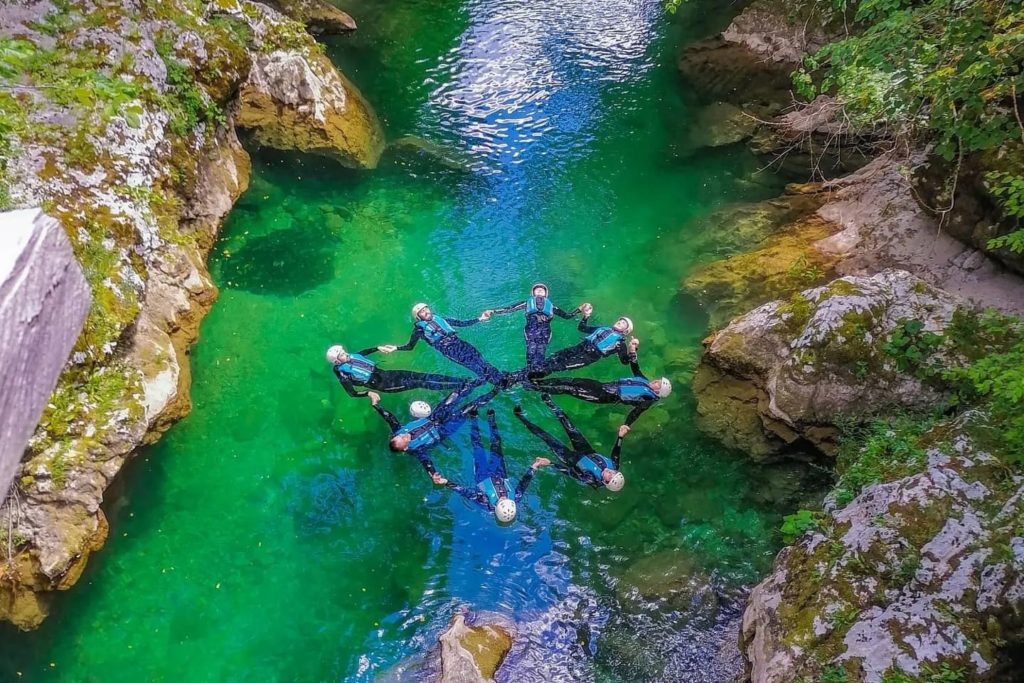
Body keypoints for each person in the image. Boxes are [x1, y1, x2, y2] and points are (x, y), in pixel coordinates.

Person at [368, 383, 500, 481]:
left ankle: (481, 380)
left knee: (455, 395)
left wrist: (376, 405)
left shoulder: (398, 431)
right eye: (403, 439)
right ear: (406, 447)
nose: (403, 435)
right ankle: (495, 390)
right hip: (444, 429)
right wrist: (433, 474)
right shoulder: (417, 450)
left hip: (434, 417)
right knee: (470, 408)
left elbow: (389, 417)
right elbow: (426, 462)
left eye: (400, 435)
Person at [440, 409, 551, 524]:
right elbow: (524, 483)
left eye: (501, 501)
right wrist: (534, 467)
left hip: (482, 475)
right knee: (496, 445)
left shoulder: (484, 503)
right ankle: (491, 420)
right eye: (506, 499)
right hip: (500, 473)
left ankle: (474, 419)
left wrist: (446, 482)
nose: (503, 498)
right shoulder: (516, 497)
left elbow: (465, 492)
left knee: (478, 447)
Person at [514, 394, 629, 491]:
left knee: (547, 437)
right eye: (613, 472)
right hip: (587, 450)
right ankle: (547, 399)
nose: (610, 471)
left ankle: (520, 417)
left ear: (605, 482)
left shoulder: (590, 479)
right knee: (569, 425)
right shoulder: (614, 465)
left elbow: (569, 472)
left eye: (609, 475)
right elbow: (616, 452)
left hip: (570, 459)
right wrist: (620, 436)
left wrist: (550, 463)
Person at [523, 356, 672, 427]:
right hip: (602, 386)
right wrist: (633, 351)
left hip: (602, 396)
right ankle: (538, 382)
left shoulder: (648, 399)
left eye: (658, 385)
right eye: (658, 380)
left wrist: (627, 424)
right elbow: (635, 367)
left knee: (568, 389)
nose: (656, 382)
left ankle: (533, 388)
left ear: (658, 392)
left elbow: (635, 413)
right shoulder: (644, 381)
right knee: (572, 380)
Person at [381, 304, 505, 385]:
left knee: (481, 360)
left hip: (459, 343)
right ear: (418, 317)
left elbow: (460, 323)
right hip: (450, 351)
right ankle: (499, 384)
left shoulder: (439, 318)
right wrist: (396, 348)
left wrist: (480, 319)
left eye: (426, 309)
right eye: (422, 312)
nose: (426, 312)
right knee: (475, 367)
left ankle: (502, 378)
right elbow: (410, 346)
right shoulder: (419, 330)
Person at [480, 283, 587, 371]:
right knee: (531, 351)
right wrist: (492, 311)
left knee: (540, 352)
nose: (540, 290)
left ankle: (538, 374)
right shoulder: (526, 303)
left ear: (546, 294)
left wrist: (579, 309)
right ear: (533, 293)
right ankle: (528, 372)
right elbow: (509, 309)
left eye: (542, 289)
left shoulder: (551, 306)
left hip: (545, 330)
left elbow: (567, 316)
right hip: (530, 329)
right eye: (537, 289)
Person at [529, 304, 639, 377]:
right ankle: (530, 370)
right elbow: (581, 328)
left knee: (558, 366)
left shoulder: (620, 343)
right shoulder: (602, 329)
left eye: (624, 323)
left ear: (626, 331)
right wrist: (586, 316)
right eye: (621, 320)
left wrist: (633, 349)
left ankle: (532, 377)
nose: (620, 322)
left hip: (589, 357)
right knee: (555, 356)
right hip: (580, 347)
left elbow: (625, 362)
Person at [326, 345, 475, 397]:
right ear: (337, 361)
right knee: (419, 383)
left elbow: (362, 353)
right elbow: (351, 393)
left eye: (344, 352)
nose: (346, 354)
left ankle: (461, 381)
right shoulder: (343, 373)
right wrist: (368, 393)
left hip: (386, 373)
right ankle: (459, 387)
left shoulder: (351, 357)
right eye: (342, 355)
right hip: (383, 385)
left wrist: (377, 348)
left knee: (421, 375)